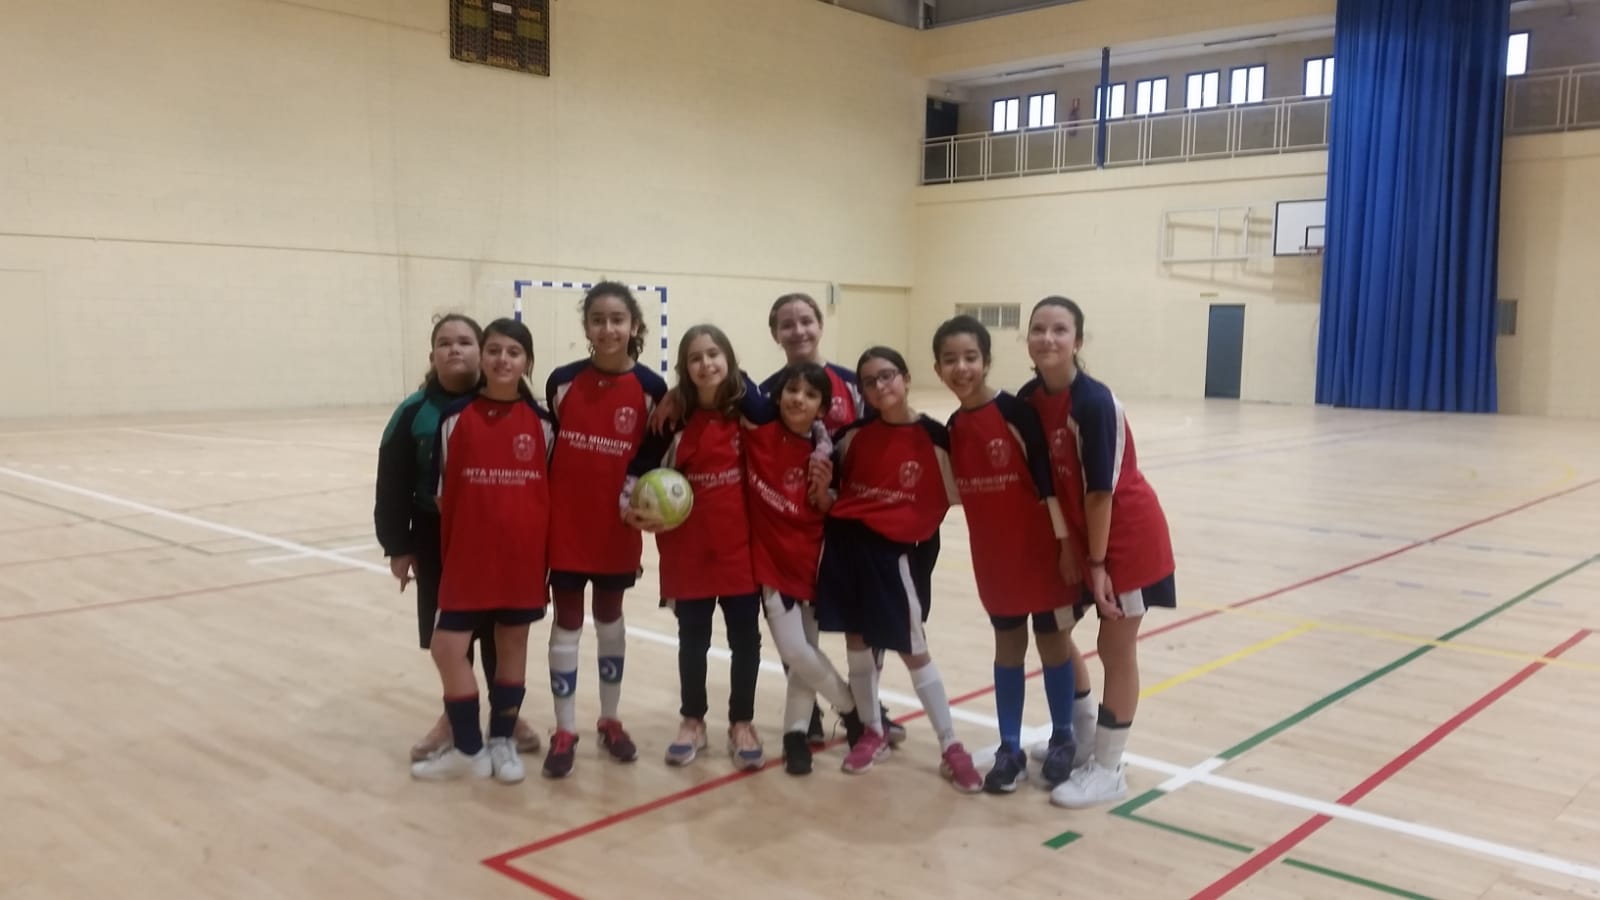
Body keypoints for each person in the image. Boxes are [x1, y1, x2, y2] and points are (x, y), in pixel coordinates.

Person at [1019, 296, 1177, 808]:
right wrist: (1068, 545)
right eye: (1038, 329)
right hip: (1078, 538)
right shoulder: (1028, 398)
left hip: (1125, 537)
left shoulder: (1094, 402)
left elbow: (1100, 493)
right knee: (1053, 630)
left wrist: (1098, 564)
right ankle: (1083, 735)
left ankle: (1109, 767)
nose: (1047, 338)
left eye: (1059, 330)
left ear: (1077, 341)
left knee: (1115, 648)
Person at [813, 347, 982, 793]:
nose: (880, 386)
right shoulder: (852, 435)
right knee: (857, 642)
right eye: (869, 381)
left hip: (895, 555)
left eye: (887, 376)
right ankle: (872, 730)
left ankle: (950, 744)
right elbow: (832, 493)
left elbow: (964, 491)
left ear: (905, 378)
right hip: (847, 546)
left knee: (913, 648)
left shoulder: (935, 437)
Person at [375, 314, 540, 761]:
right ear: (432, 355)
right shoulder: (416, 412)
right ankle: (454, 718)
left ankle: (506, 715)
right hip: (437, 535)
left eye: (465, 341)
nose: (455, 350)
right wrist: (398, 545)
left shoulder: (513, 407)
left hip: (499, 538)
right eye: (444, 343)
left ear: (481, 349)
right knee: (447, 635)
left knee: (498, 632)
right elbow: (392, 481)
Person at [934, 315, 1083, 794]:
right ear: (938, 369)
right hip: (994, 562)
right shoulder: (955, 426)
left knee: (1053, 644)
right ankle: (1010, 748)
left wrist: (1064, 546)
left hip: (1042, 554)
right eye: (951, 360)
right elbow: (954, 494)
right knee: (1007, 651)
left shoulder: (1017, 414)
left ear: (987, 361)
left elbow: (1048, 484)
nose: (962, 368)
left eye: (971, 357)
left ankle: (1063, 738)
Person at [410, 318, 553, 783]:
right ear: (483, 358)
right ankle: (470, 749)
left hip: (523, 558)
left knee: (512, 645)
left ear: (527, 362)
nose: (502, 359)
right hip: (467, 557)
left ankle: (503, 741)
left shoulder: (545, 425)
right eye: (494, 350)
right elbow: (438, 493)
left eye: (514, 352)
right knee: (447, 647)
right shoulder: (455, 419)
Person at [541, 282, 668, 778]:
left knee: (611, 619)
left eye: (618, 319)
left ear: (634, 326)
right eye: (598, 319)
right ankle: (564, 728)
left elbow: (654, 456)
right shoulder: (562, 382)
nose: (608, 328)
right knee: (568, 622)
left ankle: (610, 719)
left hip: (618, 528)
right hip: (566, 526)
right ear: (586, 327)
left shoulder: (654, 389)